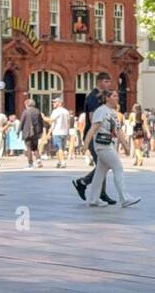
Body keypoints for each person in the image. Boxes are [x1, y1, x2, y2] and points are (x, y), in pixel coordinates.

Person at [83, 90, 140, 209]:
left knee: (100, 172)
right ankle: (124, 198)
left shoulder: (113, 113)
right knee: (118, 167)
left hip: (109, 145)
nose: (117, 98)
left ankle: (94, 199)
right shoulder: (101, 111)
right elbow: (93, 128)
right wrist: (86, 144)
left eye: (117, 95)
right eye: (114, 96)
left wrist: (126, 146)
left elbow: (118, 131)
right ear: (107, 98)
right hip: (102, 145)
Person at [73, 72, 116, 205]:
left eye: (109, 81)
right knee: (103, 164)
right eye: (106, 81)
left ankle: (96, 191)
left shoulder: (103, 97)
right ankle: (86, 184)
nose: (109, 84)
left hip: (103, 135)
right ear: (99, 82)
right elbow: (93, 118)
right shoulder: (92, 97)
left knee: (103, 164)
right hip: (94, 135)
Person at [45, 97, 72, 169]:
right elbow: (68, 123)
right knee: (60, 148)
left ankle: (63, 162)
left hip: (57, 132)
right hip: (64, 132)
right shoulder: (66, 111)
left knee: (58, 148)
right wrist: (68, 132)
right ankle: (59, 161)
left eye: (54, 102)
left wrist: (44, 118)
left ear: (59, 103)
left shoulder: (56, 111)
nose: (53, 103)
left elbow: (51, 120)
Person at [18, 98, 44, 168]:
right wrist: (41, 132)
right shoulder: (37, 111)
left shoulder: (25, 112)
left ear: (27, 105)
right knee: (35, 147)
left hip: (27, 132)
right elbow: (41, 122)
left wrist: (18, 131)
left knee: (28, 148)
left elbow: (21, 122)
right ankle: (38, 160)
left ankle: (30, 163)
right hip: (36, 133)